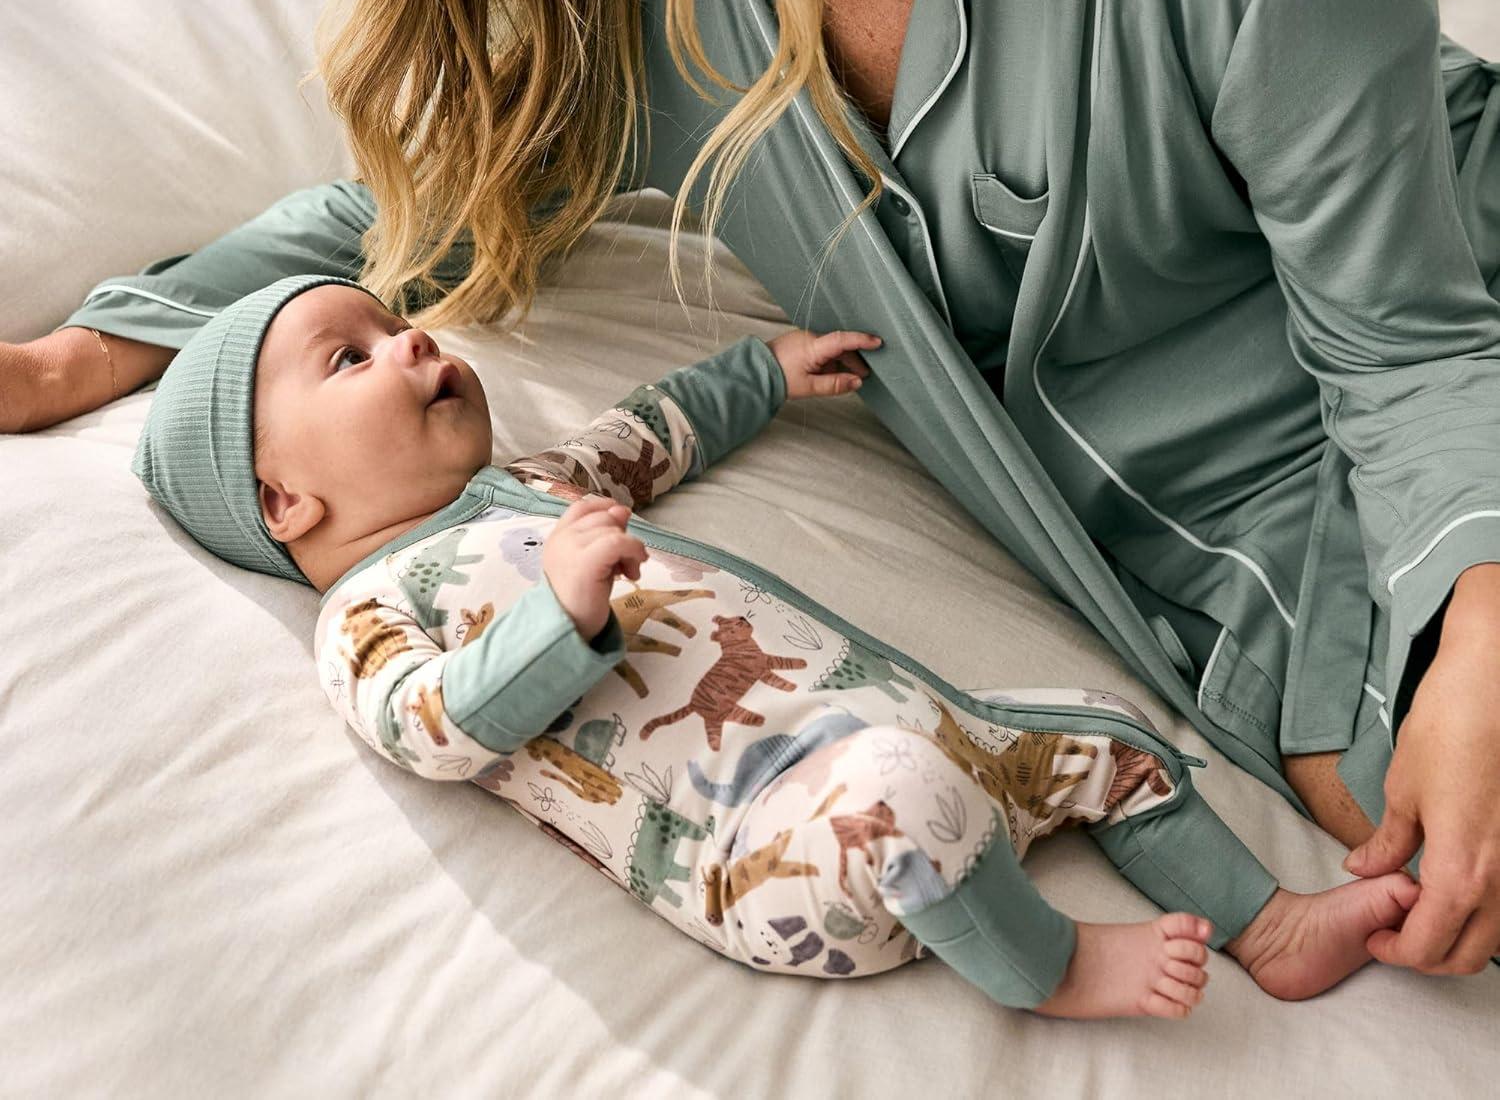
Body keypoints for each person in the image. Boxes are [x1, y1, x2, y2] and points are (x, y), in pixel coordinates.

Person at [3, 0, 1497, 974]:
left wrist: (1482, 608)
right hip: (1234, 538)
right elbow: (421, 206)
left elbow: (1411, 341)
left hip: (1427, 332)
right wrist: (87, 352)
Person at [131, 270, 1421, 1015]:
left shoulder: (534, 486)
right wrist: (557, 617)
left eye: (396, 318)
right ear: (284, 503)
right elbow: (430, 726)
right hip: (769, 854)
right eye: (350, 359)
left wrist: (762, 371)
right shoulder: (368, 614)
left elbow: (647, 433)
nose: (412, 338)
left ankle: (1268, 923)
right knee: (906, 792)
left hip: (921, 731)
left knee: (1107, 736)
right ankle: (1056, 968)